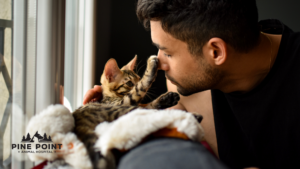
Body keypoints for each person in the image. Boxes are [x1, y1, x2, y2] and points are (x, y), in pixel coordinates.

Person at [83, 0, 300, 169]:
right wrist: (112, 113)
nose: (158, 63)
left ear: (215, 52)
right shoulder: (182, 88)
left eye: (167, 52)